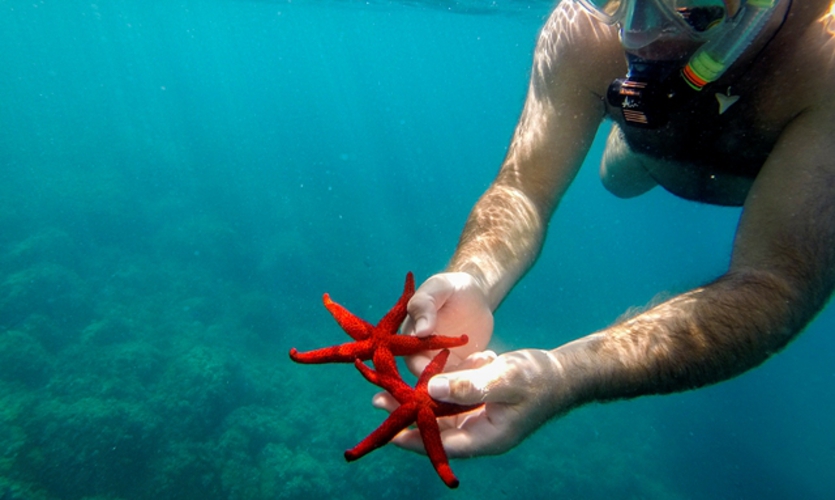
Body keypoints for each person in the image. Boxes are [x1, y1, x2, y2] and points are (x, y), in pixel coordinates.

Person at [375, 0, 835, 457]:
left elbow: (775, 282)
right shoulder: (585, 25)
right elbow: (523, 191)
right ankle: (633, 139)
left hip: (762, 172)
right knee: (617, 178)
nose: (635, 33)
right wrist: (474, 275)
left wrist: (567, 373)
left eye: (685, 10)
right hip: (645, 161)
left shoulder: (824, 61)